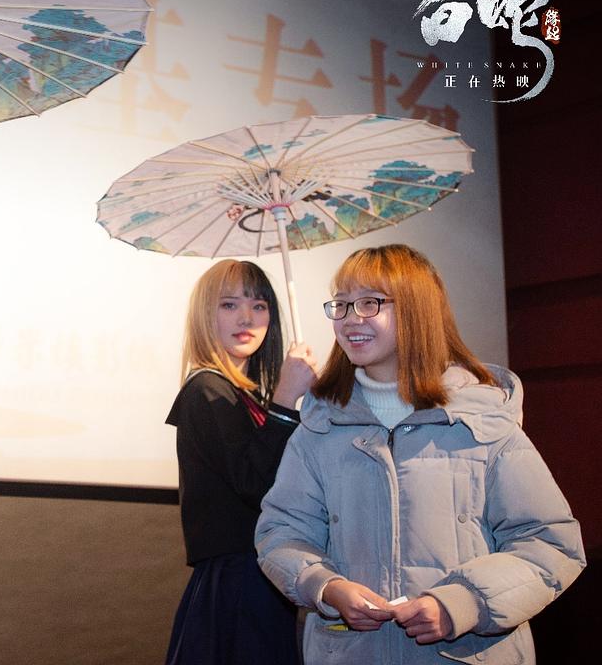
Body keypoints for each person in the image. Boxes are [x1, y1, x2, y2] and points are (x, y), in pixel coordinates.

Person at [256, 244, 585, 664]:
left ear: (417, 310)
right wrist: (325, 586)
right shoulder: (320, 429)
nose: (350, 319)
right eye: (341, 304)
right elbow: (281, 533)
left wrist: (462, 603)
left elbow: (551, 544)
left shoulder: (483, 422)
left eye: (369, 302)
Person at [164, 259, 318, 665]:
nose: (247, 318)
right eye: (229, 304)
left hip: (262, 575)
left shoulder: (245, 397)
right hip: (237, 580)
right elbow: (256, 484)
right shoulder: (207, 390)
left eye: (259, 305)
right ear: (204, 314)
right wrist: (285, 400)